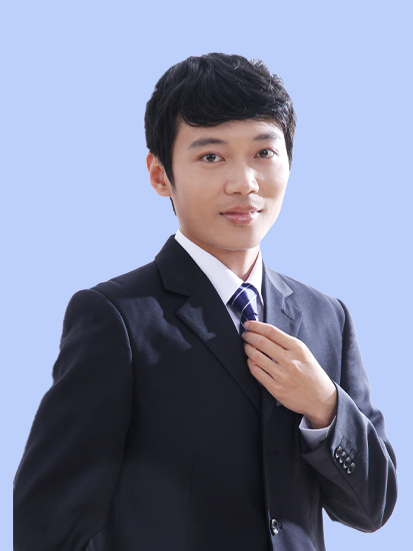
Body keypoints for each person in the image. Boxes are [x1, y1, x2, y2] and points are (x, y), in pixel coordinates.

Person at [14, 53, 397, 551]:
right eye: (211, 156)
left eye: (264, 152)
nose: (244, 183)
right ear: (160, 175)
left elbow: (372, 508)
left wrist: (324, 407)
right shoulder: (117, 318)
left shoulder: (327, 317)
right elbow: (48, 525)